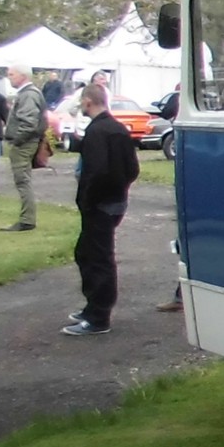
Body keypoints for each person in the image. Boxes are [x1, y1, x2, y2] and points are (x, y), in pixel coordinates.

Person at [63, 82, 138, 337]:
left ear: (87, 102)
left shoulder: (97, 132)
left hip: (99, 204)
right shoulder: (118, 129)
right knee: (87, 252)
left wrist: (87, 198)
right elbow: (132, 169)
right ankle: (93, 307)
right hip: (116, 201)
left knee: (97, 258)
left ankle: (99, 315)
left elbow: (95, 171)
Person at [0, 67, 46, 229]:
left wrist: (17, 140)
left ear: (23, 76)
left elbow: (29, 122)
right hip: (26, 141)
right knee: (23, 180)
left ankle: (27, 219)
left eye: (12, 74)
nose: (9, 78)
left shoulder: (28, 94)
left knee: (22, 180)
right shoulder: (29, 93)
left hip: (24, 143)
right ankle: (27, 218)